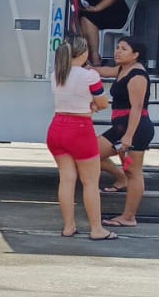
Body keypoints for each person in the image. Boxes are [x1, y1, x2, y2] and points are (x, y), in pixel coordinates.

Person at [47, 37, 116, 241]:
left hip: (57, 127)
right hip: (80, 129)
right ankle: (97, 229)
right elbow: (103, 103)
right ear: (84, 53)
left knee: (66, 179)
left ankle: (68, 226)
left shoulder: (56, 74)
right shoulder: (90, 76)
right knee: (90, 182)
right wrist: (93, 106)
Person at [95, 37, 154, 228]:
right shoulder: (122, 69)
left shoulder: (137, 75)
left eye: (124, 49)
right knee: (91, 153)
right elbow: (106, 71)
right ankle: (120, 178)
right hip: (119, 128)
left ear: (135, 55)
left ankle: (129, 217)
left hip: (135, 129)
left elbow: (137, 108)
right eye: (117, 47)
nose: (117, 51)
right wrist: (85, 68)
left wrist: (128, 136)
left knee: (134, 172)